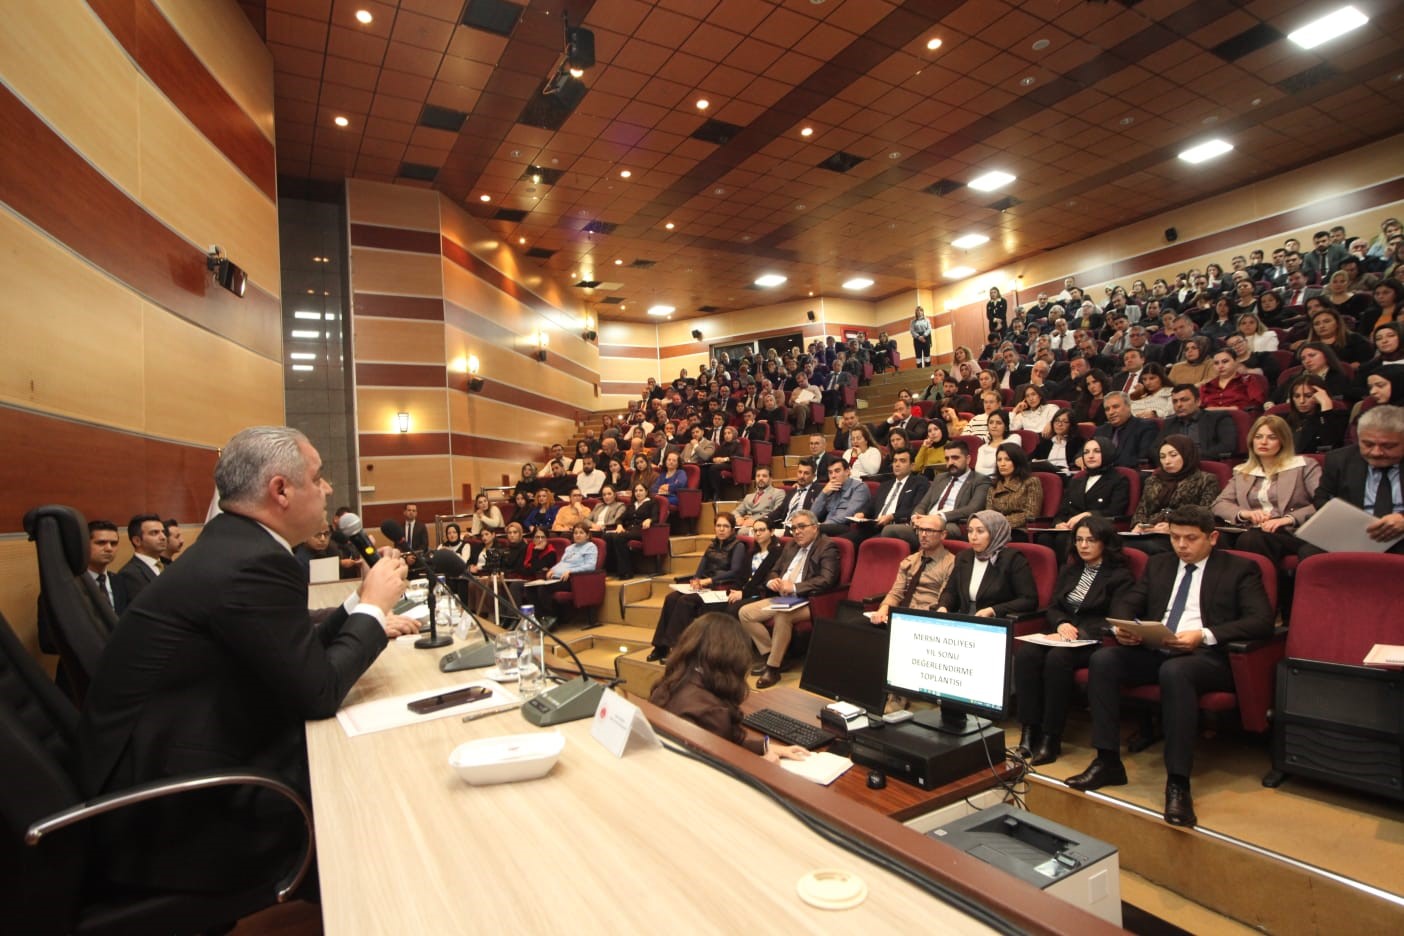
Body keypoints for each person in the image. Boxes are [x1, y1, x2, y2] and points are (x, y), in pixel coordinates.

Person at [76, 426, 414, 893]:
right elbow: (317, 692)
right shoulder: (252, 562)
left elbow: (293, 654)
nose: (327, 489)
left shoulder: (235, 545)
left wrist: (360, 604)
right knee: (372, 782)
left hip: (166, 766)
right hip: (173, 814)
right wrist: (375, 609)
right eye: (317, 477)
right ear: (281, 490)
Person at [1066, 506, 1274, 828]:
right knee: (1104, 660)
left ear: (1212, 537)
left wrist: (1203, 635)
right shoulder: (1160, 564)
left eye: (1190, 538)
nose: (1181, 545)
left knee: (1175, 672)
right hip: (1158, 647)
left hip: (1207, 657)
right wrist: (1124, 627)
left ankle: (1178, 781)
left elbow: (1260, 621)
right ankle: (1107, 761)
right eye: (1175, 537)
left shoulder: (1240, 568)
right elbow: (1129, 602)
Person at [1014, 516, 1135, 766]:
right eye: (1079, 540)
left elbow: (1115, 617)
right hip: (1061, 632)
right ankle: (1029, 730)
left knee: (1058, 659)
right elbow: (1054, 606)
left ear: (1105, 542)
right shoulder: (1070, 570)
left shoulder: (1119, 576)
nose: (1083, 545)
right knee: (1026, 654)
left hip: (1094, 639)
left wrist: (1076, 631)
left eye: (1091, 540)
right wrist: (1061, 624)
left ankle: (1051, 736)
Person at [649, 614, 809, 763]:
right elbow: (720, 770)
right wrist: (763, 764)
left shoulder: (667, 687)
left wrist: (764, 747)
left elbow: (722, 744)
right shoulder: (710, 711)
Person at [737, 510, 840, 689]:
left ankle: (773, 668)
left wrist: (794, 587)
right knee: (745, 613)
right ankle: (774, 655)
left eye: (802, 527)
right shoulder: (791, 545)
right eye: (793, 528)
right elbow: (774, 570)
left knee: (783, 616)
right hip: (784, 598)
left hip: (809, 600)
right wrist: (772, 581)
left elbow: (827, 579)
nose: (797, 532)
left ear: (815, 528)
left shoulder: (827, 546)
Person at [1213, 415, 1321, 565]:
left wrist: (1288, 519)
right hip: (1250, 529)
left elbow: (1322, 503)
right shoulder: (1243, 471)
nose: (1263, 442)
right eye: (1258, 437)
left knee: (1252, 539)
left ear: (1283, 441)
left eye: (1272, 437)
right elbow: (1220, 503)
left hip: (1290, 531)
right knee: (1214, 537)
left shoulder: (1304, 466)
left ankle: (1256, 579)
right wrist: (1245, 514)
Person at [648, 512, 749, 661]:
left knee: (685, 601)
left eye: (726, 526)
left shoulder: (738, 546)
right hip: (705, 586)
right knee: (671, 598)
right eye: (718, 526)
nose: (721, 529)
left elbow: (735, 571)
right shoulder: (712, 545)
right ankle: (660, 647)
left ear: (732, 529)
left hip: (721, 588)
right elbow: (701, 569)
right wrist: (696, 580)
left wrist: (708, 581)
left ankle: (677, 648)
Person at [1310, 404, 1404, 555]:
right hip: (1354, 534)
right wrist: (1348, 520)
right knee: (1310, 552)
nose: (1376, 452)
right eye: (1368, 444)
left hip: (1401, 536)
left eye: (1388, 446)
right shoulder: (1339, 460)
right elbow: (1321, 498)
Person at [1035, 438, 1130, 555]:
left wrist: (1088, 515)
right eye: (1086, 452)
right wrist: (1059, 523)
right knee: (1044, 537)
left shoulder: (1118, 480)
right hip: (1071, 529)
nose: (1090, 456)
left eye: (1096, 451)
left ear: (1107, 453)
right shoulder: (1076, 480)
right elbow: (1063, 511)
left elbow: (1115, 510)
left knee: (1063, 539)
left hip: (1097, 529)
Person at [886, 440, 991, 544]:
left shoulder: (980, 480)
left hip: (951, 523)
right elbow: (923, 504)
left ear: (968, 459)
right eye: (947, 459)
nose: (950, 462)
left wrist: (939, 517)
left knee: (933, 531)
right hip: (926, 520)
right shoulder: (940, 478)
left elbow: (973, 508)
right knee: (889, 530)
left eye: (955, 458)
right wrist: (915, 517)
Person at [936, 511, 1038, 617]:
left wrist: (993, 610)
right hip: (965, 618)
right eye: (970, 531)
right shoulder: (964, 556)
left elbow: (1028, 600)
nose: (973, 537)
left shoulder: (1013, 559)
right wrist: (944, 606)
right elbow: (950, 591)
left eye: (980, 531)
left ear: (995, 532)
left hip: (996, 620)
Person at [1132, 436, 1221, 553]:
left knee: (1148, 547)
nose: (1167, 461)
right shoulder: (1153, 480)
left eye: (1173, 455)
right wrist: (1139, 525)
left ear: (1187, 455)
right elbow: (1141, 509)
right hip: (1150, 531)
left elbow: (1204, 514)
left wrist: (1172, 527)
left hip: (1182, 534)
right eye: (1162, 457)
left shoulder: (1206, 480)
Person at [868, 516, 956, 625]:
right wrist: (883, 610)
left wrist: (912, 618)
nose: (923, 535)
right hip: (901, 616)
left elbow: (943, 601)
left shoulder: (952, 563)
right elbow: (896, 593)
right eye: (920, 530)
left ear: (943, 535)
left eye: (929, 530)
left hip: (927, 619)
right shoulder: (910, 561)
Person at [524, 523, 599, 627]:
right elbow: (562, 563)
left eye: (581, 533)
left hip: (574, 580)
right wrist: (552, 570)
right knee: (530, 588)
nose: (578, 535)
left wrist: (571, 571)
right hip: (557, 578)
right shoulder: (570, 548)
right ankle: (540, 617)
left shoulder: (590, 547)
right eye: (575, 533)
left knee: (543, 588)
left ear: (587, 535)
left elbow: (590, 566)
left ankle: (551, 618)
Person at [1155, 384, 1235, 460]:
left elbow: (1227, 446)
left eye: (1184, 400)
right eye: (1175, 401)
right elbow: (1155, 449)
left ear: (1198, 402)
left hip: (1204, 464)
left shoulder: (1217, 418)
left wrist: (1191, 459)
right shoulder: (1169, 423)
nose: (1178, 405)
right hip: (1174, 465)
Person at [1282, 374, 1349, 453]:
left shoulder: (1339, 417)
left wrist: (1326, 406)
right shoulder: (1285, 419)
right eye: (1297, 396)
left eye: (1308, 396)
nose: (1301, 401)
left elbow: (1331, 445)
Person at [114, 514, 166, 614]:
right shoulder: (129, 573)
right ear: (137, 541)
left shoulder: (168, 567)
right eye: (154, 533)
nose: (163, 537)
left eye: (163, 532)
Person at [604, 483, 659, 578]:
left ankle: (626, 572)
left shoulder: (652, 503)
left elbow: (655, 517)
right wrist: (619, 525)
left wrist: (649, 520)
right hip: (629, 530)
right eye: (636, 491)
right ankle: (612, 569)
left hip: (642, 530)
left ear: (646, 492)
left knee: (619, 537)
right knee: (607, 536)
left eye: (641, 490)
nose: (638, 493)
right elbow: (620, 519)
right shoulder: (632, 505)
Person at [985, 443, 1043, 531]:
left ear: (1017, 461)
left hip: (1019, 529)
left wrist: (1001, 523)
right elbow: (989, 514)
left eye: (1007, 459)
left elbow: (1031, 514)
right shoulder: (993, 486)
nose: (1002, 464)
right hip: (995, 530)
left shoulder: (1031, 482)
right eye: (999, 460)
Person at [1092, 392, 1158, 467]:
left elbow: (1143, 459)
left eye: (1115, 407)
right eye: (1107, 409)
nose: (1111, 412)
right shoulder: (1101, 430)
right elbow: (1085, 451)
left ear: (1128, 406)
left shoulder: (1145, 427)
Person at [812, 458, 870, 537]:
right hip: (826, 527)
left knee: (810, 531)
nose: (833, 476)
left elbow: (849, 514)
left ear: (847, 472)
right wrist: (823, 493)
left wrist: (824, 525)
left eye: (837, 471)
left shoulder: (859, 487)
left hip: (845, 526)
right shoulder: (829, 489)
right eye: (830, 472)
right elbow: (813, 515)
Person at [1200, 348, 1268, 412]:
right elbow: (1199, 408)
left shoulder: (1248, 380)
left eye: (1225, 361)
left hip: (1239, 417)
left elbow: (1256, 405)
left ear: (1236, 362)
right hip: (1209, 419)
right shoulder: (1207, 386)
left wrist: (1230, 409)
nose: (1220, 366)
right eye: (1216, 363)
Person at [1030, 408, 1084, 475]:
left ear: (1071, 425)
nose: (1059, 424)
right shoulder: (1046, 443)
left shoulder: (1078, 442)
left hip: (1064, 474)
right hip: (1045, 473)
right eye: (1056, 421)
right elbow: (1031, 459)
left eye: (1064, 421)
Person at [973, 409, 1020, 476]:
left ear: (1006, 426)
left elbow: (1007, 465)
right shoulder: (982, 448)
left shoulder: (1014, 438)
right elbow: (978, 470)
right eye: (991, 422)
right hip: (984, 481)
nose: (994, 426)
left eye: (998, 423)